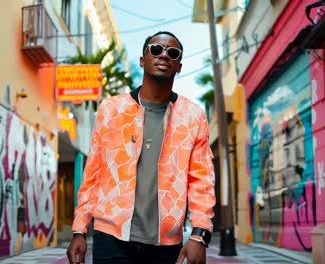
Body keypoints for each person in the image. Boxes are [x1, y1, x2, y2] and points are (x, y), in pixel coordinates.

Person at [67, 31, 216, 264]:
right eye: (156, 49)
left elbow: (202, 181)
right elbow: (93, 174)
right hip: (111, 237)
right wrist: (79, 230)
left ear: (179, 66)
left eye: (172, 53)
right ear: (142, 59)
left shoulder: (193, 117)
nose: (164, 55)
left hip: (166, 244)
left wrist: (199, 235)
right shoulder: (111, 110)